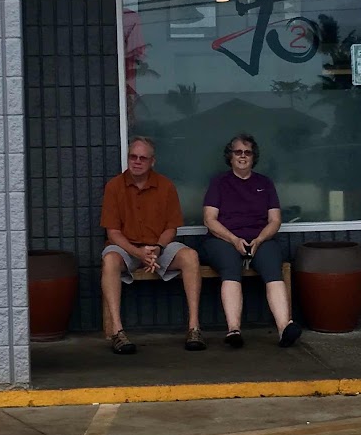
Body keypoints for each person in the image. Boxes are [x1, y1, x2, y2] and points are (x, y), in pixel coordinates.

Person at [100, 136, 206, 355]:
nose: (137, 161)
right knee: (109, 260)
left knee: (191, 256)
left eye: (143, 158)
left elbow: (171, 228)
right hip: (127, 248)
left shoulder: (166, 186)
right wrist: (138, 252)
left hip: (159, 247)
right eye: (133, 157)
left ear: (152, 161)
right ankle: (117, 332)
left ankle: (194, 327)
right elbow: (113, 233)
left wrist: (157, 248)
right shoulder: (114, 186)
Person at [201, 133, 302, 348]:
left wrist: (259, 239)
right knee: (230, 265)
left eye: (248, 152)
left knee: (272, 266)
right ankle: (234, 330)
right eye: (238, 152)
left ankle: (284, 328)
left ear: (253, 157)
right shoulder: (219, 182)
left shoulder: (265, 183)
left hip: (260, 238)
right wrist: (233, 239)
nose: (243, 156)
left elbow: (275, 220)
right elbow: (209, 220)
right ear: (230, 156)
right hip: (224, 238)